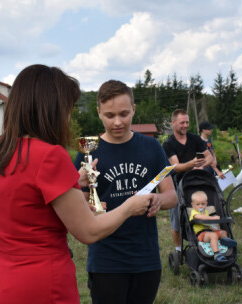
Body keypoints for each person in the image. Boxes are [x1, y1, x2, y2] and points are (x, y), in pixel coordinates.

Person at [0, 65, 153, 304]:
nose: (68, 118)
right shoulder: (50, 155)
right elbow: (89, 231)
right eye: (67, 109)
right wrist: (130, 206)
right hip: (38, 286)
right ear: (52, 110)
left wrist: (72, 184)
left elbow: (24, 204)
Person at [73, 80, 177, 304]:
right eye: (110, 115)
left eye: (124, 114)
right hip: (105, 259)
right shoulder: (87, 152)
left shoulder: (151, 147)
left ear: (134, 110)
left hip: (145, 258)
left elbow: (172, 196)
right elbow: (78, 207)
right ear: (99, 112)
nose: (118, 122)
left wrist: (159, 199)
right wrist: (90, 207)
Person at [162, 109, 212, 253]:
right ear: (173, 123)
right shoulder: (168, 144)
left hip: (197, 183)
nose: (185, 125)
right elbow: (176, 167)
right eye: (182, 122)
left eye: (187, 122)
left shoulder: (195, 139)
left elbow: (209, 157)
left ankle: (205, 241)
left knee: (202, 212)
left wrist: (201, 165)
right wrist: (193, 164)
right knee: (177, 220)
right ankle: (178, 250)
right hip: (177, 185)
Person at [189, 191, 236, 262]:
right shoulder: (194, 213)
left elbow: (208, 224)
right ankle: (217, 254)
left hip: (209, 231)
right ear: (193, 205)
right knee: (213, 236)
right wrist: (213, 218)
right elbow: (200, 217)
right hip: (201, 234)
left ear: (206, 204)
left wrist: (214, 229)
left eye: (203, 204)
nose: (201, 206)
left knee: (222, 232)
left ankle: (225, 240)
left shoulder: (206, 212)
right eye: (198, 204)